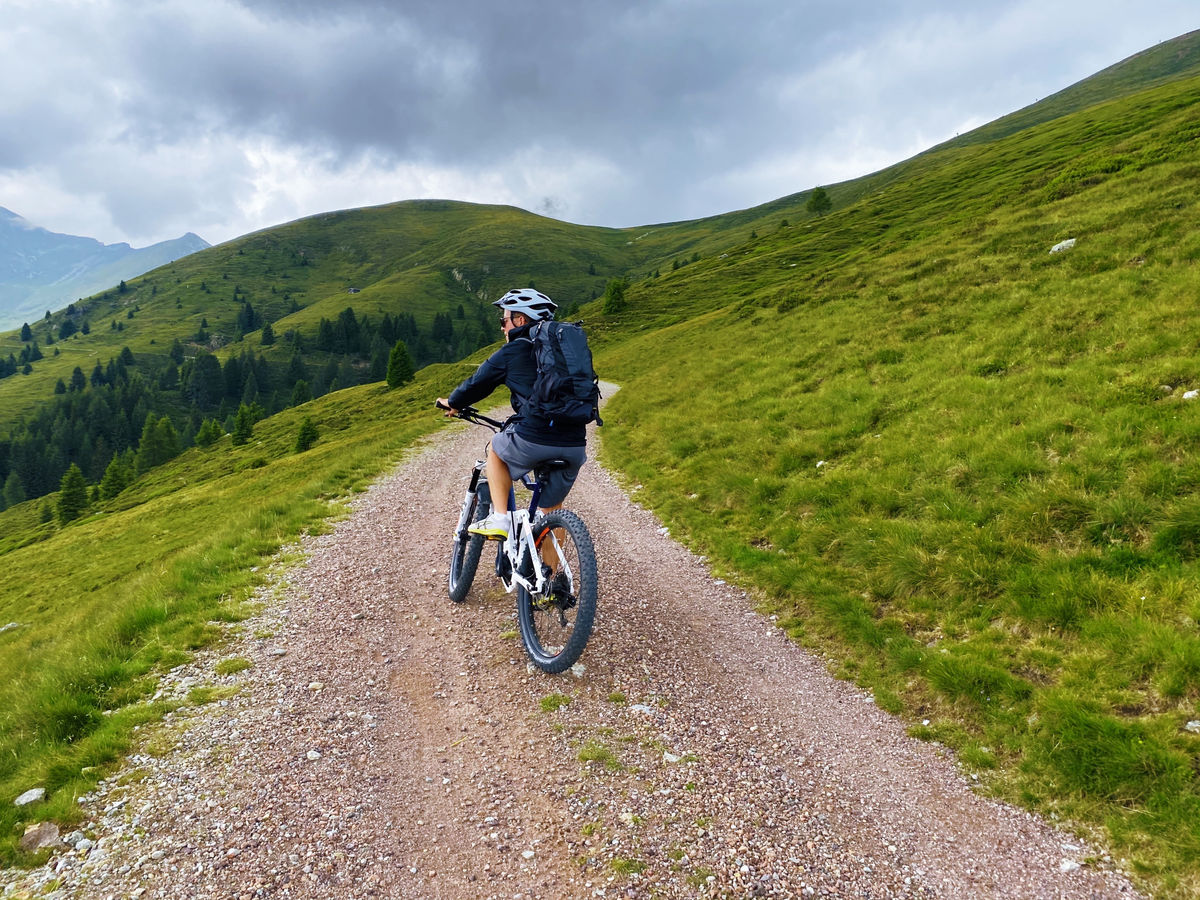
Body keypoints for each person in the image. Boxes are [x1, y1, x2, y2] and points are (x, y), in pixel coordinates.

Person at [436, 288, 587, 540]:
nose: (502, 328)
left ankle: (500, 518)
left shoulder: (513, 350)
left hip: (534, 437)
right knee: (550, 515)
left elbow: (476, 384)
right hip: (574, 443)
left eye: (503, 321)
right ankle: (553, 577)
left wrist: (452, 402)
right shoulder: (564, 353)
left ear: (520, 320)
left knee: (496, 447)